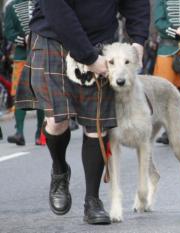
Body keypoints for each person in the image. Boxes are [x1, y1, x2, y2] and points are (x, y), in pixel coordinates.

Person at [15, 0, 149, 224]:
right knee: (57, 121)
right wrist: (88, 57)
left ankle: (92, 200)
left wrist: (138, 40)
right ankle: (59, 170)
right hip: (53, 37)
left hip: (99, 41)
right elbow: (56, 7)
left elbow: (136, 3)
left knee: (96, 124)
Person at [4, 0, 45, 146]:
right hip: (21, 56)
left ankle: (40, 133)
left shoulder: (43, 3)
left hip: (41, 54)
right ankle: (19, 132)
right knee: (19, 94)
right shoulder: (11, 7)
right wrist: (24, 39)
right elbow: (9, 32)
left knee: (40, 94)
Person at [153, 0, 180, 145]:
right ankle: (167, 128)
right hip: (167, 49)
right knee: (164, 92)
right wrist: (176, 32)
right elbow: (158, 22)